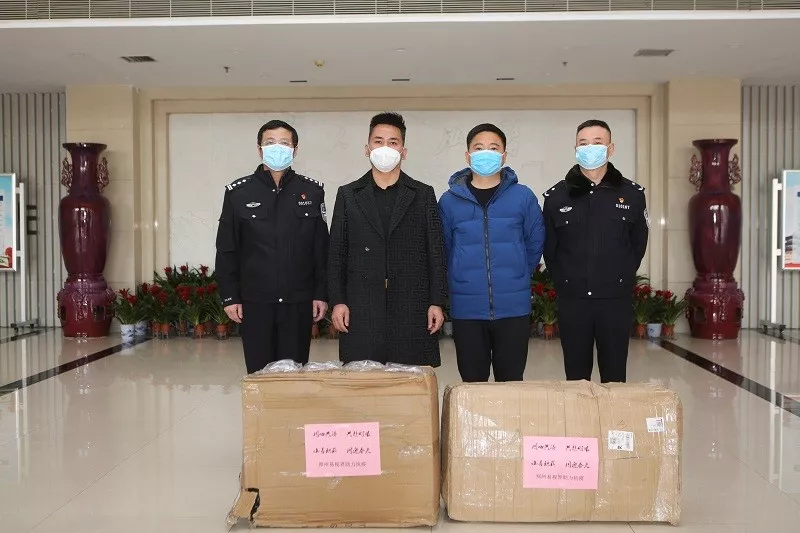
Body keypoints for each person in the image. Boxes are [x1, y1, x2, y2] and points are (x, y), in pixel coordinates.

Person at [327, 112, 448, 366]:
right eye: (378, 141)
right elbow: (337, 253)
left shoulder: (423, 194)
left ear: (404, 151)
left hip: (411, 306)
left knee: (411, 381)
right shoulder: (348, 195)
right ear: (367, 148)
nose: (385, 148)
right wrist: (337, 301)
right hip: (361, 307)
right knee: (364, 381)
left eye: (393, 142)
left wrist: (437, 302)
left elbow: (435, 252)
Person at [215, 120, 329, 374]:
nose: (277, 148)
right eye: (270, 143)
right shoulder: (238, 193)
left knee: (294, 375)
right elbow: (227, 249)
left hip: (298, 303)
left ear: (295, 150)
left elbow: (321, 248)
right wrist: (230, 296)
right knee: (259, 375)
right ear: (259, 150)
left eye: (284, 143)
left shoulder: (312, 192)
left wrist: (321, 293)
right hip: (256, 303)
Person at [542, 119, 648, 383]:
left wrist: (621, 276)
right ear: (575, 149)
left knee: (615, 377)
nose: (590, 148)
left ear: (610, 148)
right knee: (576, 378)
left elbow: (638, 244)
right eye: (583, 143)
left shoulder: (632, 195)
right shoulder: (557, 197)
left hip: (615, 301)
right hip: (573, 301)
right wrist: (566, 281)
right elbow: (550, 248)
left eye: (597, 143)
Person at [439, 123, 545, 382]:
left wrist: (518, 273)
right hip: (467, 308)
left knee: (511, 384)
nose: (486, 153)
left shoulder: (523, 197)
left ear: (504, 155)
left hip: (513, 308)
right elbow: (444, 248)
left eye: (493, 147)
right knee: (472, 384)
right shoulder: (449, 201)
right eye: (479, 148)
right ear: (468, 156)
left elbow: (535, 242)